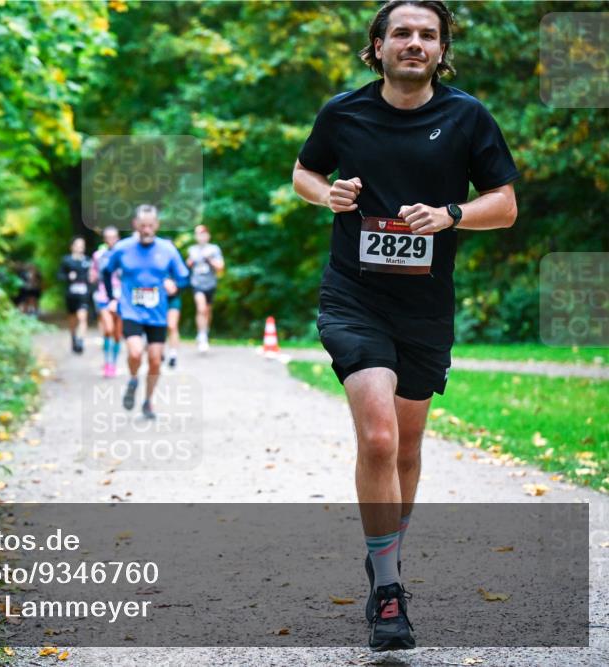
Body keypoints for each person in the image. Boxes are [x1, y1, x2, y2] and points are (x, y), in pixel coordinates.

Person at [291, 0, 518, 652]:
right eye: (402, 33)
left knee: (410, 446)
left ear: (440, 49)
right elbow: (305, 170)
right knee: (381, 434)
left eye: (427, 34)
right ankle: (389, 590)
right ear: (378, 46)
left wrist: (451, 214)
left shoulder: (467, 116)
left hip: (424, 306)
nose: (414, 42)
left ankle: (381, 554)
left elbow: (503, 205)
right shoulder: (345, 111)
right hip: (353, 297)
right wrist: (324, 194)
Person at [102, 205, 190, 419]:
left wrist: (174, 286)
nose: (147, 230)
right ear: (135, 225)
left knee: (155, 360)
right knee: (134, 352)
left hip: (157, 314)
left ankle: (148, 401)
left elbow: (184, 277)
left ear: (157, 225)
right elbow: (106, 271)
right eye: (143, 226)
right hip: (131, 310)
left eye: (151, 226)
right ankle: (133, 379)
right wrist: (113, 298)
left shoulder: (167, 249)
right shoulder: (123, 248)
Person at [185, 224, 225, 353]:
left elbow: (220, 267)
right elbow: (186, 266)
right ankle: (202, 336)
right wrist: (190, 262)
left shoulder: (214, 249)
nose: (201, 237)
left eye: (203, 234)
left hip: (210, 284)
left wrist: (210, 260)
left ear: (208, 236)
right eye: (198, 234)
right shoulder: (192, 250)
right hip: (197, 284)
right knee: (201, 308)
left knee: (207, 311)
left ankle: (204, 331)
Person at [91, 226, 123, 377]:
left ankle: (113, 364)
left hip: (122, 297)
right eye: (108, 237)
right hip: (104, 296)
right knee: (108, 329)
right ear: (104, 239)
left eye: (114, 237)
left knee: (117, 334)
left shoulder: (124, 255)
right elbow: (93, 274)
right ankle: (107, 362)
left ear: (118, 238)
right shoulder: (98, 255)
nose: (111, 240)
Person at [57, 237, 93, 354]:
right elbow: (59, 276)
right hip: (71, 294)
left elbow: (92, 277)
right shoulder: (66, 260)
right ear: (72, 246)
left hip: (84, 294)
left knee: (83, 317)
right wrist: (68, 276)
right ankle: (73, 337)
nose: (81, 247)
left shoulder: (88, 261)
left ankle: (80, 341)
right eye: (78, 245)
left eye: (82, 245)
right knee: (73, 319)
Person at [165, 280, 182, 368]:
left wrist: (176, 285)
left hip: (173, 298)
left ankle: (173, 355)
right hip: (154, 297)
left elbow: (184, 279)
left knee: (172, 325)